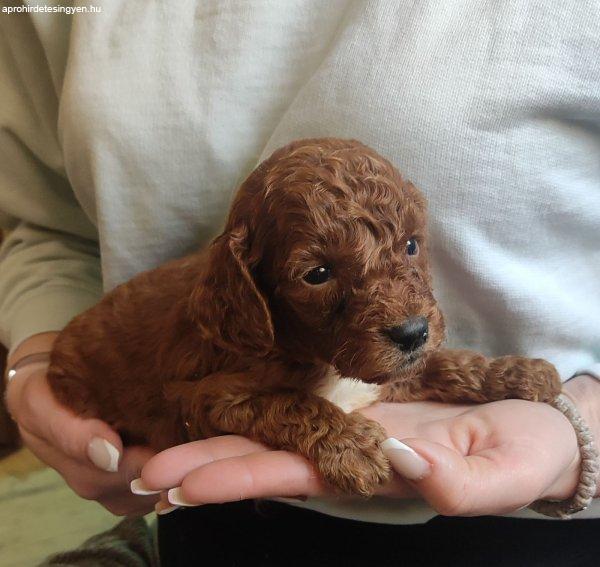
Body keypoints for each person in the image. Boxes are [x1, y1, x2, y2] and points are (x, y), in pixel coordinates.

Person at [2, 1, 600, 565]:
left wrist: (579, 420)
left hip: (542, 528)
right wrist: (32, 359)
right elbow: (52, 228)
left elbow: (393, 373)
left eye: (409, 246)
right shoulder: (244, 332)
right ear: (248, 292)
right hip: (204, 505)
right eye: (317, 274)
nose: (406, 313)